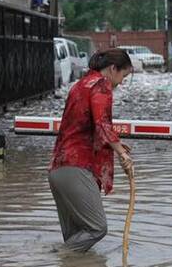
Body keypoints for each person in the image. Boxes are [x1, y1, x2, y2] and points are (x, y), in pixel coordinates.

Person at [48, 48, 134, 252]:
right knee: (97, 229)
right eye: (124, 76)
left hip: (58, 170)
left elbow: (83, 126)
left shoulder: (81, 84)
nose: (121, 83)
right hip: (76, 167)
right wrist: (121, 153)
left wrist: (118, 145)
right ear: (113, 69)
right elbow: (103, 125)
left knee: (77, 240)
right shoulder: (101, 85)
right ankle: (55, 259)